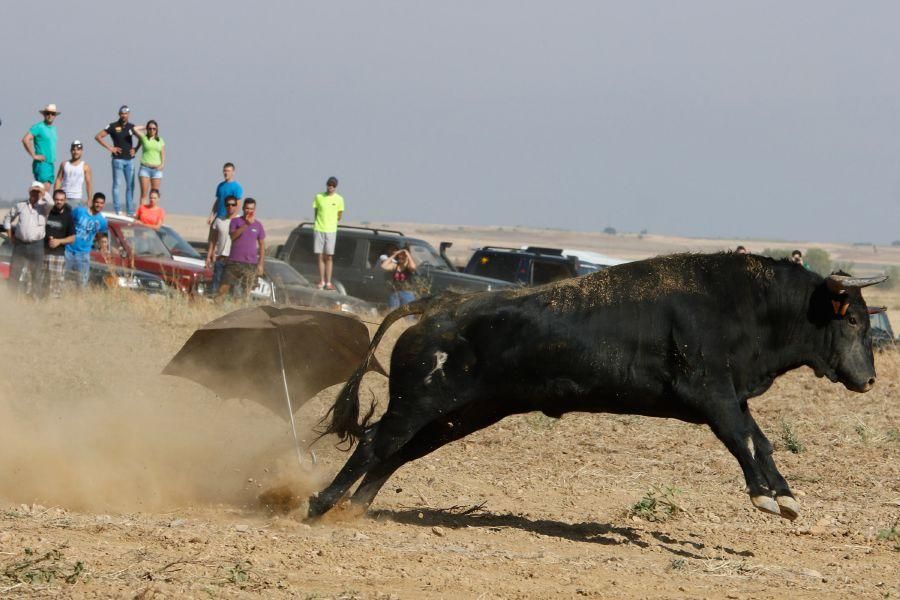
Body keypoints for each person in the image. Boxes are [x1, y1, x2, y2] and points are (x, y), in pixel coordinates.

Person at [3, 182, 51, 296]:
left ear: (41, 193)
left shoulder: (45, 207)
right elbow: (7, 219)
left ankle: (35, 299)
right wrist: (10, 236)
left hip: (37, 245)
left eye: (37, 191)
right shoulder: (20, 205)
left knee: (36, 274)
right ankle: (11, 299)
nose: (35, 193)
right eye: (33, 191)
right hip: (20, 245)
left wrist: (43, 191)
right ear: (29, 192)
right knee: (15, 273)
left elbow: (52, 203)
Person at [218, 198, 265, 300]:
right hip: (234, 261)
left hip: (250, 263)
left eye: (252, 209)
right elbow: (233, 236)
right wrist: (246, 225)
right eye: (247, 208)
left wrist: (260, 264)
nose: (249, 211)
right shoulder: (235, 221)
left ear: (255, 210)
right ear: (243, 208)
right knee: (223, 289)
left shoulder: (258, 225)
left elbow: (262, 245)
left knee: (246, 292)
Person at [95, 105, 138, 215]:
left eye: (126, 113)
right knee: (117, 185)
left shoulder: (131, 127)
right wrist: (110, 148)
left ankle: (130, 211)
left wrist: (136, 149)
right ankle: (118, 209)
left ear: (129, 115)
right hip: (118, 159)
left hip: (130, 160)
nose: (124, 116)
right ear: (119, 114)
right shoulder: (113, 126)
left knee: (130, 185)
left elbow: (142, 137)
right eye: (122, 114)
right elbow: (98, 136)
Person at [66, 193, 109, 288]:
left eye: (101, 203)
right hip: (68, 250)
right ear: (93, 202)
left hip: (83, 254)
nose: (99, 205)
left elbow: (101, 236)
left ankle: (80, 301)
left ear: (104, 204)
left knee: (82, 282)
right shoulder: (79, 211)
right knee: (61, 278)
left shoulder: (102, 221)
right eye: (97, 202)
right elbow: (67, 221)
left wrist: (103, 248)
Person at [43, 189, 76, 298]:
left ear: (65, 200)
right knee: (41, 282)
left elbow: (72, 237)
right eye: (56, 199)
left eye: (61, 200)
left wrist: (59, 241)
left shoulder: (68, 216)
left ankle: (54, 308)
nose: (59, 202)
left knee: (56, 286)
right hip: (42, 253)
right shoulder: (47, 213)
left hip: (58, 255)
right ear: (53, 200)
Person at [312, 176, 344, 290]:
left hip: (331, 230)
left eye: (333, 185)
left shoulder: (339, 199)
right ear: (327, 185)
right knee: (320, 256)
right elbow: (316, 212)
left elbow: (339, 215)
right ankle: (322, 281)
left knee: (329, 256)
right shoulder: (319, 197)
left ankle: (329, 282)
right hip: (319, 228)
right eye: (329, 185)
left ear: (336, 187)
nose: (331, 187)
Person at [22, 104, 60, 192]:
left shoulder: (53, 128)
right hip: (42, 163)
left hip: (50, 163)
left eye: (52, 114)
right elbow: (25, 139)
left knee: (45, 191)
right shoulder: (39, 127)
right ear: (44, 114)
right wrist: (34, 155)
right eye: (48, 113)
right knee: (43, 192)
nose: (50, 115)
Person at [206, 194, 239, 295]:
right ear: (225, 206)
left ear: (236, 206)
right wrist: (209, 255)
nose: (230, 207)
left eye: (233, 205)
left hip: (233, 260)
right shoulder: (219, 221)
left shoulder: (239, 221)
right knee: (216, 285)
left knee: (232, 288)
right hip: (220, 258)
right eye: (228, 205)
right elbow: (213, 240)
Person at [133, 120, 165, 205]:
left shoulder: (160, 140)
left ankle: (153, 215)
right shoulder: (144, 138)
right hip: (145, 168)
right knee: (144, 194)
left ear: (157, 129)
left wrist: (162, 164)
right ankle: (142, 215)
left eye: (154, 129)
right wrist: (145, 126)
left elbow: (162, 153)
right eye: (150, 128)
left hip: (156, 169)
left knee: (154, 194)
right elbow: (135, 129)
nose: (152, 130)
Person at [54, 140, 93, 204]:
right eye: (74, 150)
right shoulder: (64, 164)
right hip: (63, 197)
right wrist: (55, 194)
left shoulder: (85, 166)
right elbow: (58, 180)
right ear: (71, 151)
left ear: (81, 151)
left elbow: (88, 184)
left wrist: (89, 199)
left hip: (77, 198)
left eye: (78, 150)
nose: (76, 152)